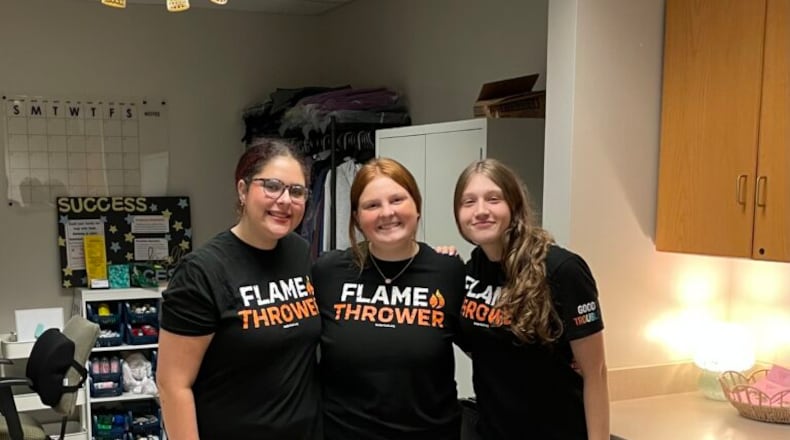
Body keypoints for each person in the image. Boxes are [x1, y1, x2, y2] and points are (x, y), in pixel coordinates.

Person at [157, 140, 322, 440]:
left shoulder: (299, 252)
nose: (285, 200)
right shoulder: (202, 271)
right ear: (243, 190)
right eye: (272, 186)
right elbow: (173, 384)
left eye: (297, 192)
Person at [452, 158, 609, 440]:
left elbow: (595, 373)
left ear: (514, 206)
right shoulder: (472, 269)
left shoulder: (562, 269)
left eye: (493, 199)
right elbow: (483, 344)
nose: (481, 211)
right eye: (469, 202)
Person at [311, 157, 467, 440]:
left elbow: (488, 347)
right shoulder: (328, 272)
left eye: (397, 200)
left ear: (416, 206)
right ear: (357, 216)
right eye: (372, 205)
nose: (387, 213)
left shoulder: (449, 271)